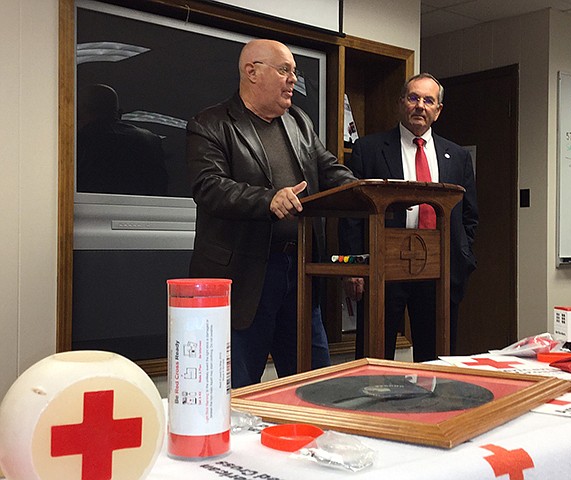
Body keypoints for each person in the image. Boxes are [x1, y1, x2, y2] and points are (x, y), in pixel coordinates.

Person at [186, 39, 357, 388]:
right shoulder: (211, 123)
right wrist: (268, 200)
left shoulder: (298, 122)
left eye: (294, 72)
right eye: (284, 70)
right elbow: (209, 187)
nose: (293, 79)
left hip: (302, 273)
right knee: (238, 385)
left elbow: (329, 170)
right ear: (252, 71)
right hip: (246, 275)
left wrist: (367, 190)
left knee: (315, 383)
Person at [340, 72, 478, 362]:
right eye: (413, 97)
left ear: (438, 111)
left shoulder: (457, 156)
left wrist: (463, 260)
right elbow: (352, 213)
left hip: (440, 269)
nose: (420, 106)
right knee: (374, 356)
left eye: (429, 100)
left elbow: (469, 216)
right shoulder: (369, 149)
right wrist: (353, 265)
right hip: (383, 267)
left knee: (437, 360)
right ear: (401, 102)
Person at [76, 83, 168, 196]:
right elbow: (160, 186)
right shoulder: (150, 140)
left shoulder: (79, 142)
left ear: (79, 112)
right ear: (119, 113)